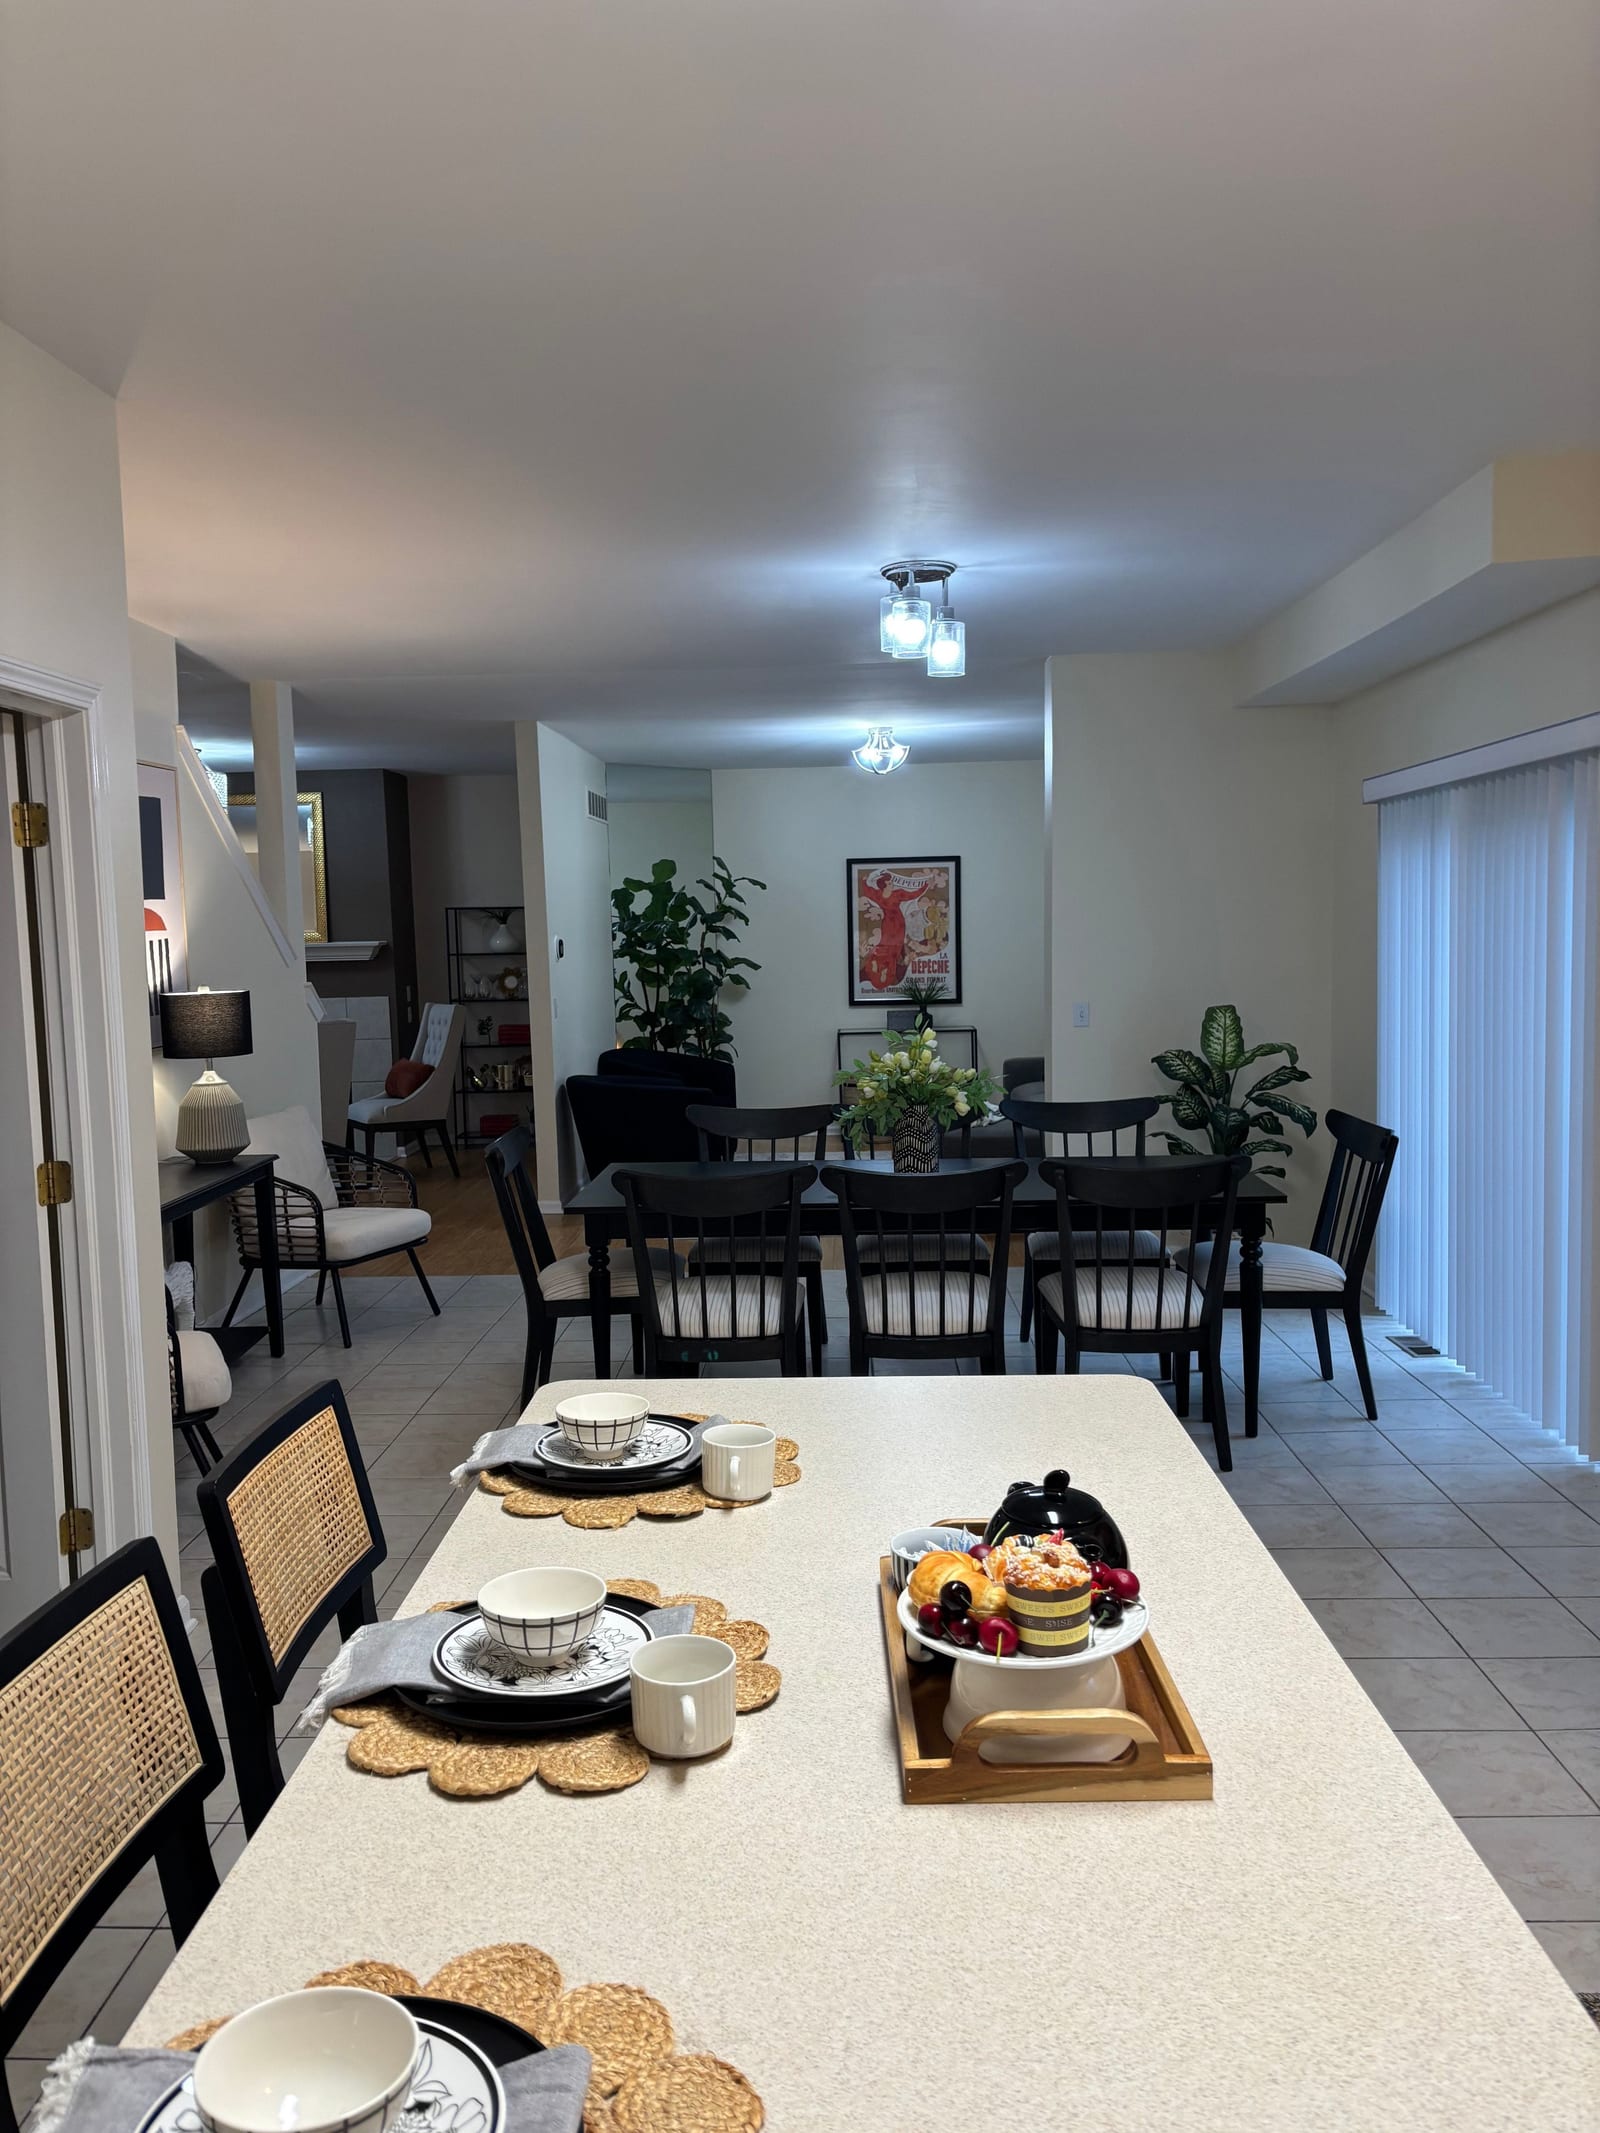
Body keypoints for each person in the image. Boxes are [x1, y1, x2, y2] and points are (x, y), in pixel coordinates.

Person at [859, 872, 922, 993]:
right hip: (889, 925)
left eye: (891, 882)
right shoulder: (879, 895)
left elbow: (912, 895)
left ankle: (880, 971)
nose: (892, 884)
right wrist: (864, 881)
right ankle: (880, 972)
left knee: (892, 948)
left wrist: (924, 886)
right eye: (889, 883)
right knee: (888, 947)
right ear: (883, 886)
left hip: (897, 925)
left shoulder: (896, 894)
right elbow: (868, 892)